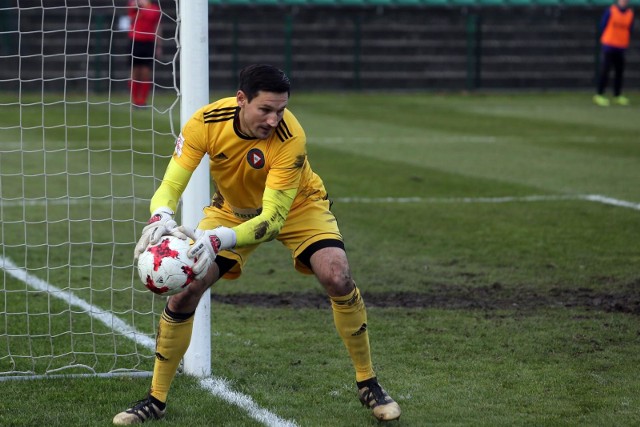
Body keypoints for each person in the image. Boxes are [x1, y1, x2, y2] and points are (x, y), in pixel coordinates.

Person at [112, 64, 402, 424]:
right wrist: (160, 215)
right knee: (186, 292)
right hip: (232, 210)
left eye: (281, 109)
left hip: (298, 206)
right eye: (265, 109)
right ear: (241, 100)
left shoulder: (290, 136)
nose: (274, 118)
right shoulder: (205, 122)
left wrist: (219, 238)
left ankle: (368, 382)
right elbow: (172, 182)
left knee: (338, 276)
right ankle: (155, 400)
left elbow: (272, 219)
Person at [593, 0, 634, 107]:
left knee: (619, 72)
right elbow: (603, 26)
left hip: (621, 46)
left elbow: (630, 29)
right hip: (609, 45)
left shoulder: (630, 13)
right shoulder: (611, 11)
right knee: (605, 71)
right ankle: (599, 94)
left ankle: (617, 95)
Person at [127, 0, 161, 107]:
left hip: (149, 42)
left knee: (146, 72)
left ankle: (143, 100)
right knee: (135, 71)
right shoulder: (134, 4)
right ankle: (134, 100)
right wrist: (137, 6)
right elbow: (130, 16)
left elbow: (158, 27)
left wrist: (159, 45)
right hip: (135, 41)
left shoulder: (155, 9)